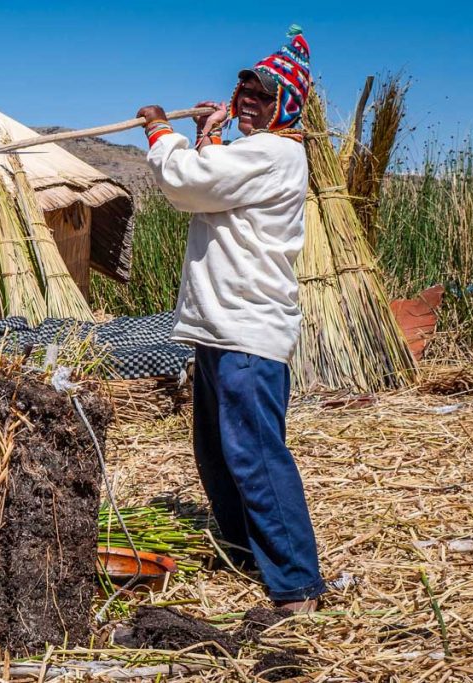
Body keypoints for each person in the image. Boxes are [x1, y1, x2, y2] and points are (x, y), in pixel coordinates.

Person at [136, 26, 325, 611]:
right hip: (221, 328)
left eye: (261, 95)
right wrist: (205, 134)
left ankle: (296, 583)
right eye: (242, 90)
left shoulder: (275, 152)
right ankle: (247, 551)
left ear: (284, 106)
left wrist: (159, 131)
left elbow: (189, 184)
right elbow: (214, 179)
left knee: (255, 454)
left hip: (246, 331)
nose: (247, 99)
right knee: (218, 449)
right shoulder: (253, 153)